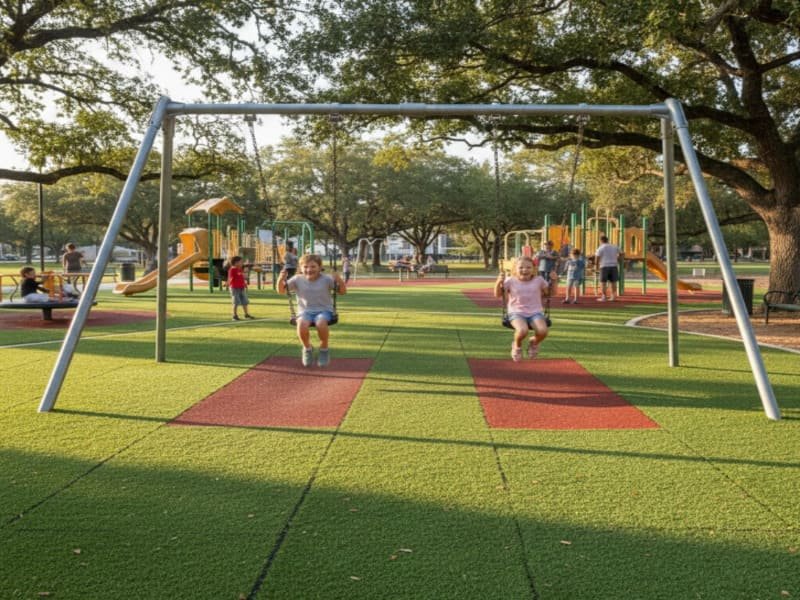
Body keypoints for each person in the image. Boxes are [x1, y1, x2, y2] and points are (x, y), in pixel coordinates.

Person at [278, 253, 346, 367]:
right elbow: (281, 291)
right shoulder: (297, 279)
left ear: (320, 267)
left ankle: (324, 348)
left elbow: (342, 292)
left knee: (320, 323)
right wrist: (281, 279)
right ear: (301, 268)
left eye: (313, 266)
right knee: (302, 324)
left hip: (324, 310)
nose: (309, 269)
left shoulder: (327, 279)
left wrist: (338, 279)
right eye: (305, 267)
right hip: (305, 311)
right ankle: (307, 348)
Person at [494, 255, 556, 362]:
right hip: (516, 312)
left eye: (528, 267)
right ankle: (517, 346)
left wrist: (554, 281)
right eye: (521, 267)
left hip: (535, 312)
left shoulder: (539, 280)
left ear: (533, 269)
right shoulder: (510, 281)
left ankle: (534, 342)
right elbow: (498, 295)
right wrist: (498, 282)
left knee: (543, 331)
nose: (525, 270)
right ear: (515, 269)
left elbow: (551, 293)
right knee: (522, 331)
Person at [595, 234, 622, 301]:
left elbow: (597, 258)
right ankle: (613, 297)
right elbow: (622, 253)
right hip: (614, 266)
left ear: (601, 241)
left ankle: (604, 297)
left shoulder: (600, 248)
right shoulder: (614, 246)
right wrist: (618, 259)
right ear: (607, 240)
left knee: (603, 282)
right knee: (613, 282)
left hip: (604, 266)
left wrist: (596, 267)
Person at [227, 256, 254, 321]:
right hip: (234, 288)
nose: (242, 263)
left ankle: (246, 314)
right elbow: (230, 278)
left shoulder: (240, 269)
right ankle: (234, 315)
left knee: (245, 302)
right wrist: (228, 283)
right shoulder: (232, 269)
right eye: (241, 262)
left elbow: (241, 277)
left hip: (241, 288)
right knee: (236, 302)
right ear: (236, 263)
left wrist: (244, 284)